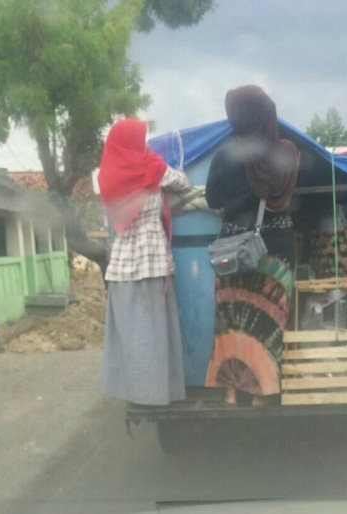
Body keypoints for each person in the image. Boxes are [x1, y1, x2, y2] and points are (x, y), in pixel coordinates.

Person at [204, 85, 299, 407]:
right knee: (269, 321)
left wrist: (236, 199)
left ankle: (231, 391)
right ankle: (262, 393)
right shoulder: (287, 151)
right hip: (278, 249)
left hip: (234, 249)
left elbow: (212, 199)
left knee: (231, 321)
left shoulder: (226, 155)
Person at [98, 118, 192, 406]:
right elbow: (184, 183)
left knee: (132, 336)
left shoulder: (107, 175)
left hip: (121, 265)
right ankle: (159, 392)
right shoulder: (153, 169)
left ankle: (136, 394)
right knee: (155, 333)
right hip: (151, 259)